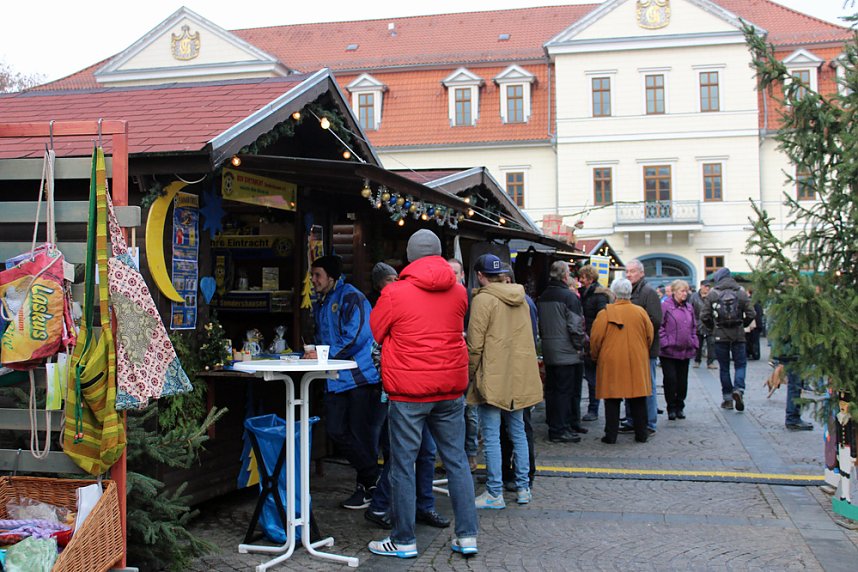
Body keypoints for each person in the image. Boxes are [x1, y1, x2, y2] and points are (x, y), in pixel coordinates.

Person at [369, 229, 478, 558]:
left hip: (408, 392)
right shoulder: (460, 292)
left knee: (403, 466)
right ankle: (468, 536)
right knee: (457, 462)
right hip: (449, 390)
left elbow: (376, 330)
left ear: (409, 257)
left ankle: (403, 540)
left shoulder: (394, 293)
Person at [365, 263, 450, 530]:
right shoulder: (388, 304)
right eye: (391, 279)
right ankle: (380, 505)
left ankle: (422, 505)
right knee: (406, 452)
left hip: (420, 387)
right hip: (400, 390)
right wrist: (392, 380)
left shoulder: (407, 300)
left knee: (425, 451)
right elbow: (376, 348)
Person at [310, 255, 386, 510]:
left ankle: (366, 488)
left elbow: (357, 335)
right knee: (335, 431)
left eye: (317, 275)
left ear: (331, 277)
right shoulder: (321, 301)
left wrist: (324, 355)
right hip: (335, 379)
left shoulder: (351, 296)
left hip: (360, 377)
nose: (313, 280)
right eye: (312, 275)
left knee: (359, 435)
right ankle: (372, 478)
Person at [467, 254, 542, 509]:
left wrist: (469, 374)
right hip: (519, 375)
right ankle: (523, 489)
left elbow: (475, 345)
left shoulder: (483, 300)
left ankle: (494, 492)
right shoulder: (522, 299)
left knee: (492, 436)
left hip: (494, 376)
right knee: (518, 432)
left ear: (480, 275)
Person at [590, 278, 654, 444]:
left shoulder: (605, 314)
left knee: (612, 398)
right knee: (638, 398)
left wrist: (595, 356)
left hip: (611, 360)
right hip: (636, 358)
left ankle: (611, 435)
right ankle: (641, 433)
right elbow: (649, 335)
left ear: (613, 293)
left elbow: (596, 339)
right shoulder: (640, 312)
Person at [537, 261, 587, 443]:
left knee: (552, 391)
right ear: (565, 276)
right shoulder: (569, 297)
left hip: (550, 350)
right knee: (565, 392)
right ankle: (561, 429)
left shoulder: (543, 296)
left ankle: (556, 425)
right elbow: (576, 327)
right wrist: (580, 346)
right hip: (567, 352)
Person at [499, 262, 538, 492]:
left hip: (517, 372)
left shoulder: (525, 303)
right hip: (512, 371)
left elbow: (530, 339)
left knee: (520, 426)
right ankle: (510, 473)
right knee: (509, 428)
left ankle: (524, 474)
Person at [700, 267, 756, 412]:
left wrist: (713, 327)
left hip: (720, 334)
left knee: (724, 368)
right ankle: (739, 389)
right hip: (738, 334)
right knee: (740, 365)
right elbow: (751, 313)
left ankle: (727, 399)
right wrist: (743, 324)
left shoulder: (713, 294)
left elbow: (704, 316)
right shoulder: (741, 293)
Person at [623, 259, 662, 434]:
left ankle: (650, 422)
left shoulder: (648, 292)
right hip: (631, 347)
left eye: (632, 271)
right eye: (627, 271)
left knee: (648, 385)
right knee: (631, 384)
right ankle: (633, 419)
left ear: (641, 273)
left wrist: (641, 340)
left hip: (646, 348)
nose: (628, 274)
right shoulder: (629, 292)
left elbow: (655, 321)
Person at [448, 257, 479, 472]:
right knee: (453, 411)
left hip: (467, 359)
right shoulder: (440, 297)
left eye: (455, 272)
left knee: (470, 411)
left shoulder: (470, 298)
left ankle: (470, 453)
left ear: (462, 275)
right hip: (448, 362)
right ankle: (454, 454)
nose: (452, 276)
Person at [577, 265, 615, 421]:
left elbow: (602, 320)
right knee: (592, 376)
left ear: (590, 279)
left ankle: (594, 408)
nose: (580, 280)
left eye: (583, 278)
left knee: (593, 376)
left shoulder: (599, 296)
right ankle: (594, 407)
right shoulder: (586, 294)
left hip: (595, 340)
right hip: (588, 339)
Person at [659, 279, 698, 420]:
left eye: (686, 291)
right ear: (674, 292)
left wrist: (694, 341)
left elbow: (694, 326)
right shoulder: (665, 306)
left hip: (685, 349)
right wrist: (665, 342)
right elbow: (660, 326)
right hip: (668, 351)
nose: (685, 294)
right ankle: (671, 407)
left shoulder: (689, 307)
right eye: (682, 291)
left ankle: (680, 405)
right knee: (670, 380)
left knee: (682, 381)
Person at [690, 280, 717, 369]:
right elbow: (690, 310)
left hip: (710, 323)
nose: (707, 288)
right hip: (698, 323)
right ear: (701, 286)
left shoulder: (712, 296)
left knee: (711, 344)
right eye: (705, 286)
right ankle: (697, 360)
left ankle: (710, 362)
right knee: (698, 344)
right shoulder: (694, 297)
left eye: (708, 287)